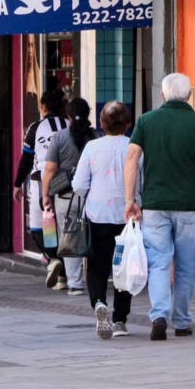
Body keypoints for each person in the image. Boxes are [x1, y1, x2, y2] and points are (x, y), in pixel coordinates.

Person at [124, 73, 195, 341]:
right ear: (189, 95)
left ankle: (158, 316)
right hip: (188, 206)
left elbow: (132, 158)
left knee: (159, 263)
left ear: (163, 95)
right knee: (187, 264)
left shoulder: (146, 121)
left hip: (154, 206)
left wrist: (130, 200)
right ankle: (182, 320)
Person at [72, 101, 135, 339]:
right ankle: (120, 319)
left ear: (102, 123)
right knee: (124, 268)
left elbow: (78, 184)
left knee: (98, 267)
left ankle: (99, 302)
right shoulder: (134, 147)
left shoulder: (92, 147)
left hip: (97, 215)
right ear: (127, 124)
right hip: (127, 216)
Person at [13, 89, 69, 289]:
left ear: (43, 107)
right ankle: (63, 274)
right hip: (66, 181)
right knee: (64, 227)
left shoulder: (36, 128)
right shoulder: (70, 125)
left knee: (40, 226)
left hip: (40, 181)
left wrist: (17, 184)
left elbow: (26, 159)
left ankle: (52, 258)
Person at [41, 97, 96, 296]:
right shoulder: (96, 136)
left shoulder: (59, 138)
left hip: (66, 197)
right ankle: (97, 278)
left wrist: (45, 195)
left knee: (70, 237)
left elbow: (49, 170)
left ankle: (75, 283)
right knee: (94, 236)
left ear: (69, 116)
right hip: (92, 197)